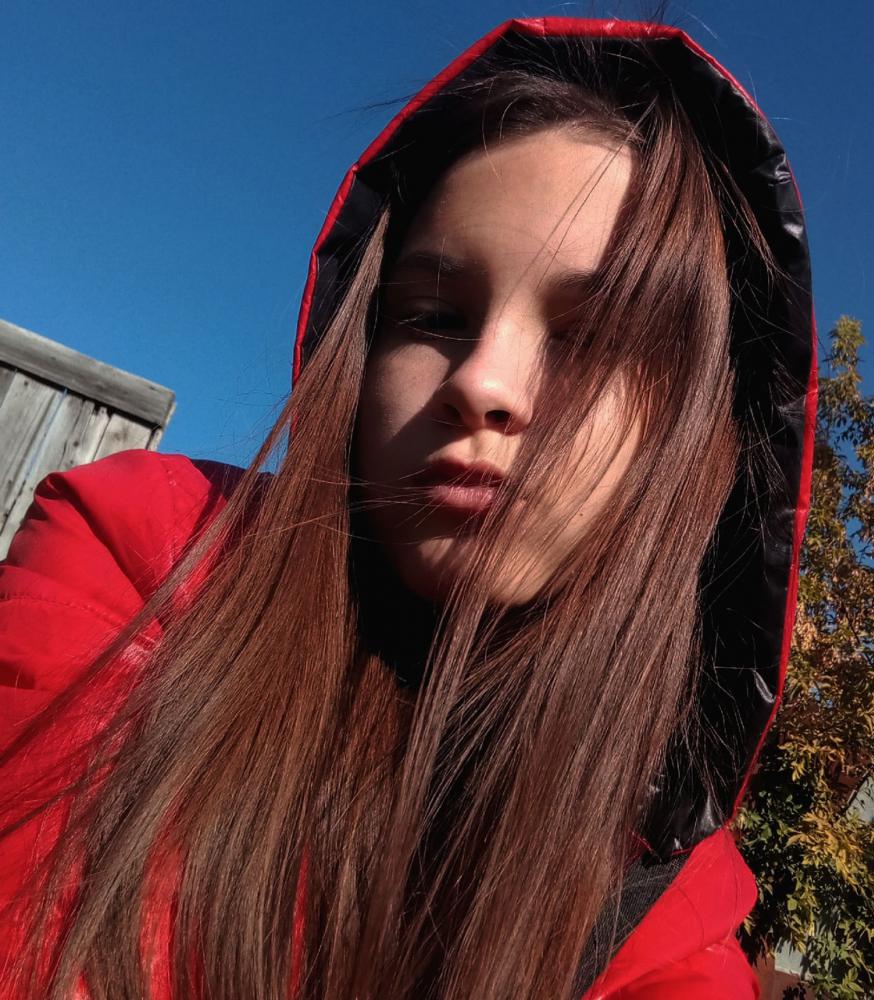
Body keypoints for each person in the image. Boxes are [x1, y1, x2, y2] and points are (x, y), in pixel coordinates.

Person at [0, 15, 816, 1000]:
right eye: (432, 316)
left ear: (704, 437)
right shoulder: (148, 560)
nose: (483, 382)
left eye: (591, 336)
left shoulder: (667, 921)